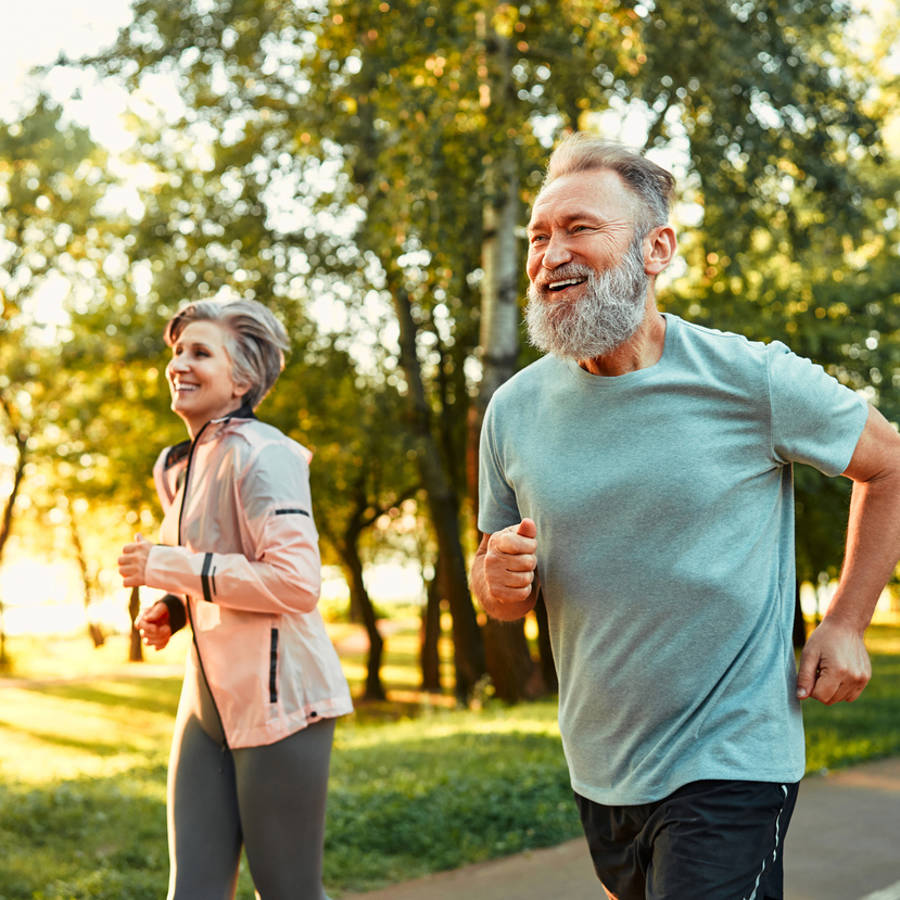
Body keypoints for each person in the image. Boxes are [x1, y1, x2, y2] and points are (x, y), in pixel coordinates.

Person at [471, 133, 900, 900]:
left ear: (655, 247)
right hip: (603, 770)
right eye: (538, 236)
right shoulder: (514, 410)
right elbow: (497, 583)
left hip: (733, 760)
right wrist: (494, 583)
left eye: (579, 229)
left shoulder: (750, 379)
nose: (550, 254)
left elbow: (891, 463)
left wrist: (846, 622)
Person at [118, 298, 352, 900]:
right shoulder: (177, 465)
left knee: (286, 891)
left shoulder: (265, 454)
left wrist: (166, 566)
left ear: (242, 379)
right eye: (177, 352)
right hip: (204, 707)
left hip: (281, 705)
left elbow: (297, 583)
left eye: (200, 352)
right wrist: (170, 608)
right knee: (192, 891)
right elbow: (215, 557)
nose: (180, 364)